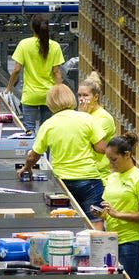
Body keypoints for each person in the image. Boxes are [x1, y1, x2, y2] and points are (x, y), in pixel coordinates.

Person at [21, 84, 108, 221]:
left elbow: (33, 156)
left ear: (50, 103)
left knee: (65, 222)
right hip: (89, 179)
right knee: (94, 223)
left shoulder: (48, 125)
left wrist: (26, 168)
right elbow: (102, 149)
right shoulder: (86, 118)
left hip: (62, 182)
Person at [98, 133, 139, 279]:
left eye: (114, 160)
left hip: (130, 243)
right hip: (110, 240)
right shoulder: (113, 176)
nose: (111, 164)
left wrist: (117, 214)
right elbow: (109, 205)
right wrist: (102, 213)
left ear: (127, 155)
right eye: (109, 160)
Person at [6, 14, 65, 133]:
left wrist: (8, 88)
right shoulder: (55, 46)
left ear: (32, 27)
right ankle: (47, 152)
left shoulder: (24, 44)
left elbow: (16, 70)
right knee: (47, 131)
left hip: (30, 95)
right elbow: (56, 72)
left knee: (29, 131)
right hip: (49, 95)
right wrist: (59, 92)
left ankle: (31, 151)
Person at [77, 72, 116, 183]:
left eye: (85, 95)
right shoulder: (83, 113)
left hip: (98, 175)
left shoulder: (103, 118)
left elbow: (84, 140)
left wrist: (82, 115)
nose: (81, 99)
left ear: (96, 97)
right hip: (82, 171)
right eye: (79, 95)